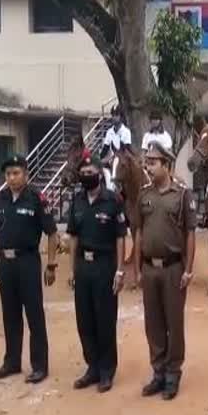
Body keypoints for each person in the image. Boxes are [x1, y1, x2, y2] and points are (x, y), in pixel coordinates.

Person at [0, 154, 59, 384]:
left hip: (28, 262)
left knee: (34, 314)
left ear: (26, 174)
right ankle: (12, 362)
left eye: (16, 173)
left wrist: (51, 265)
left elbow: (52, 233)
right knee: (10, 314)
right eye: (8, 174)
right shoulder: (0, 198)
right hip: (6, 264)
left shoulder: (37, 197)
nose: (11, 177)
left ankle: (39, 365)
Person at [134, 142, 197, 400]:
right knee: (154, 323)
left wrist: (189, 270)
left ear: (167, 165)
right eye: (147, 161)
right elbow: (138, 231)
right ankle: (158, 372)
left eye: (153, 162)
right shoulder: (144, 194)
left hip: (173, 268)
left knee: (174, 322)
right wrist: (137, 268)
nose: (148, 166)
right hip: (150, 268)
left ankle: (173, 373)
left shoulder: (182, 194)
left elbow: (190, 233)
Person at [67, 154, 127, 393]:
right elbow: (73, 237)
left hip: (105, 266)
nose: (87, 176)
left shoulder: (113, 200)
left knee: (105, 319)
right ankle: (92, 367)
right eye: (84, 173)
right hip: (83, 266)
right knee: (84, 320)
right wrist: (72, 269)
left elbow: (121, 237)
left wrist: (120, 270)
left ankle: (106, 370)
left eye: (91, 172)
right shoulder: (77, 200)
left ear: (100, 175)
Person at [101, 105, 132, 190]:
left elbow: (126, 149)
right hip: (110, 158)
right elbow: (105, 149)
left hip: (121, 158)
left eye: (116, 115)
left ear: (121, 117)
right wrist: (100, 160)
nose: (114, 117)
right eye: (113, 115)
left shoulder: (126, 132)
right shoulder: (109, 132)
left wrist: (115, 156)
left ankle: (113, 186)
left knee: (116, 161)